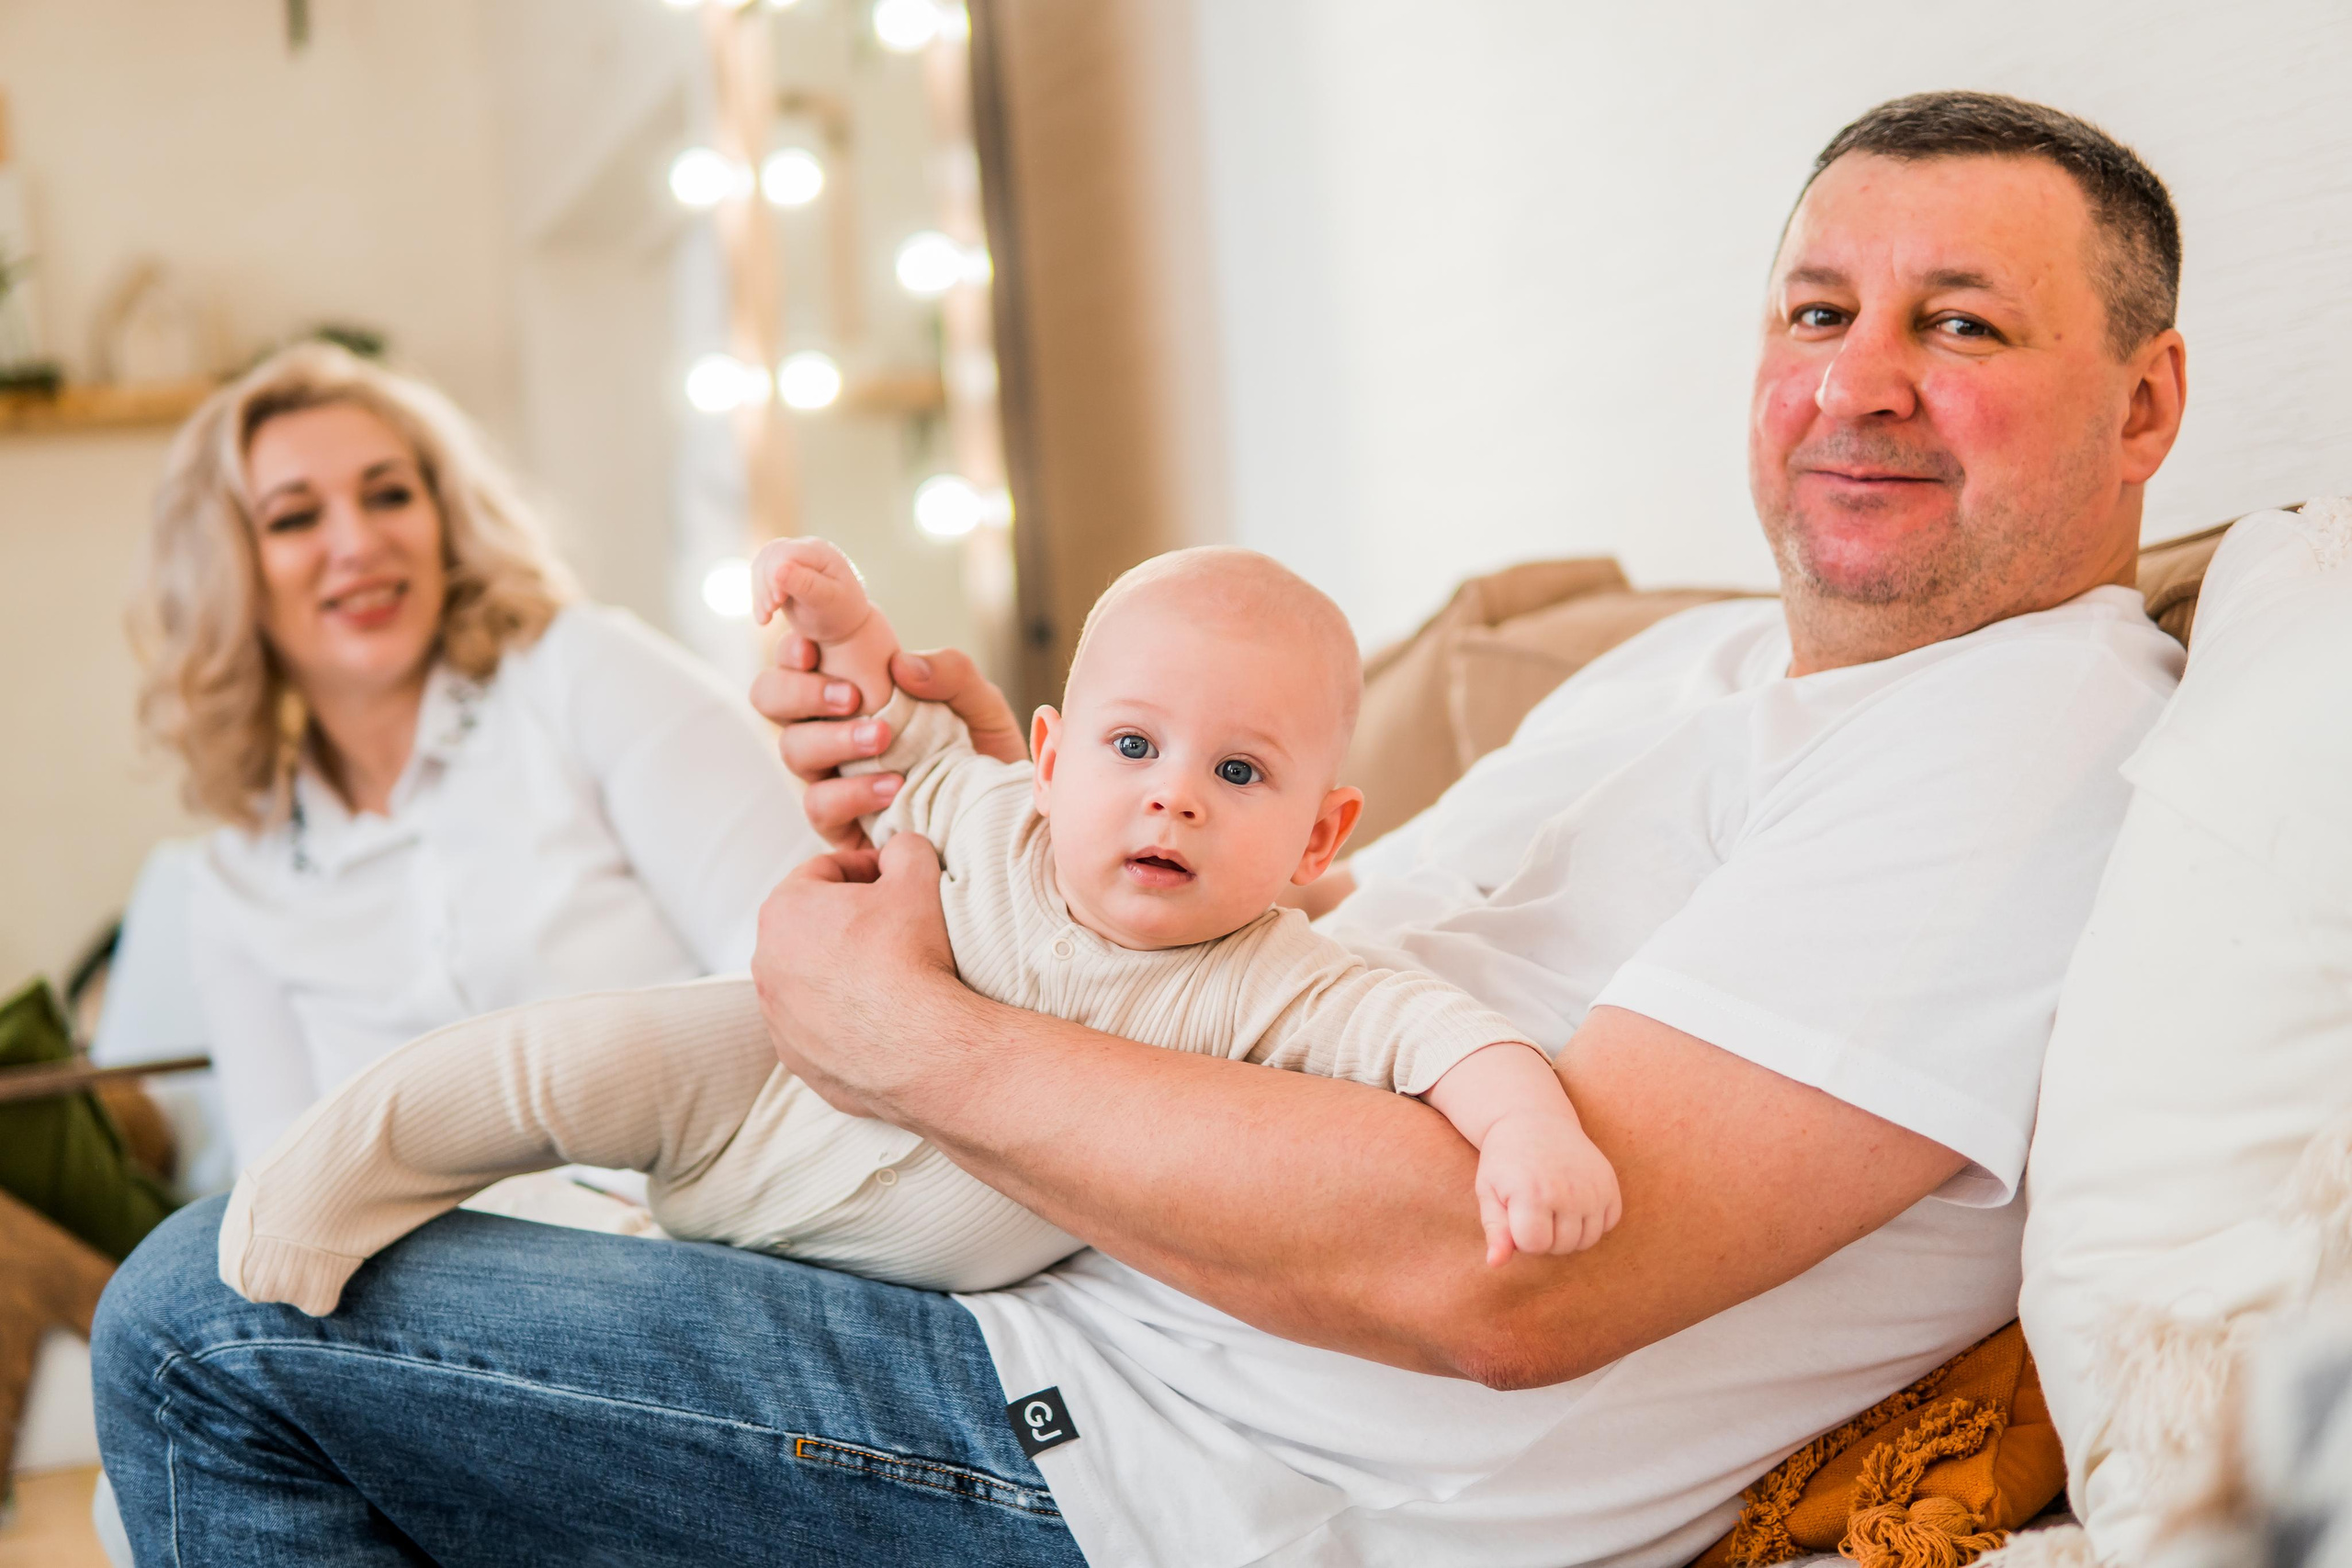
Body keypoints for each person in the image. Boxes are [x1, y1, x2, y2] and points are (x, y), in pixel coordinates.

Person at [94, 90, 2194, 1568]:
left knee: (205, 1329)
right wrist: (1028, 827)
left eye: (1963, 322)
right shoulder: (1695, 673)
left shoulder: (2022, 742)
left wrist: (909, 1034)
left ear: (2141, 406)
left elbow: (1513, 1274)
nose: (1857, 380)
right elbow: (1269, 951)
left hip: (1168, 1477)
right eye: (1817, 311)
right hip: (1027, 1309)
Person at [210, 544, 1618, 1320]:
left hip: (895, 1284)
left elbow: (1447, 1035)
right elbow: (893, 724)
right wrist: (840, 618)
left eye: (1240, 774)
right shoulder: (995, 809)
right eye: (1135, 743)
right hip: (763, 1076)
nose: (1175, 794)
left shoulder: (1277, 983)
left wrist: (1531, 1132)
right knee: (559, 1062)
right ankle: (317, 1184)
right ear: (1055, 755)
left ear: (1319, 836)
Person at [129, 342, 818, 1173]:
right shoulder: (237, 880)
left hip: (709, 1211)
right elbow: (280, 1181)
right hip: (429, 1286)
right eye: (294, 517)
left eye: (390, 494)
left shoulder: (582, 674)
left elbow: (807, 977)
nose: (357, 542)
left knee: (173, 1277)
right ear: (228, 573)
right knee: (201, 1261)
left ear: (444, 519)